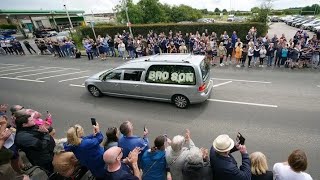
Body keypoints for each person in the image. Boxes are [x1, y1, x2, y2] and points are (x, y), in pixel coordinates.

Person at [14, 110, 55, 175]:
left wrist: (46, 128)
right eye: (31, 120)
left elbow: (39, 130)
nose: (33, 120)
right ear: (24, 124)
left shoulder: (30, 126)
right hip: (42, 159)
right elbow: (42, 146)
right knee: (48, 172)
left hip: (48, 154)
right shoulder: (23, 137)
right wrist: (45, 133)